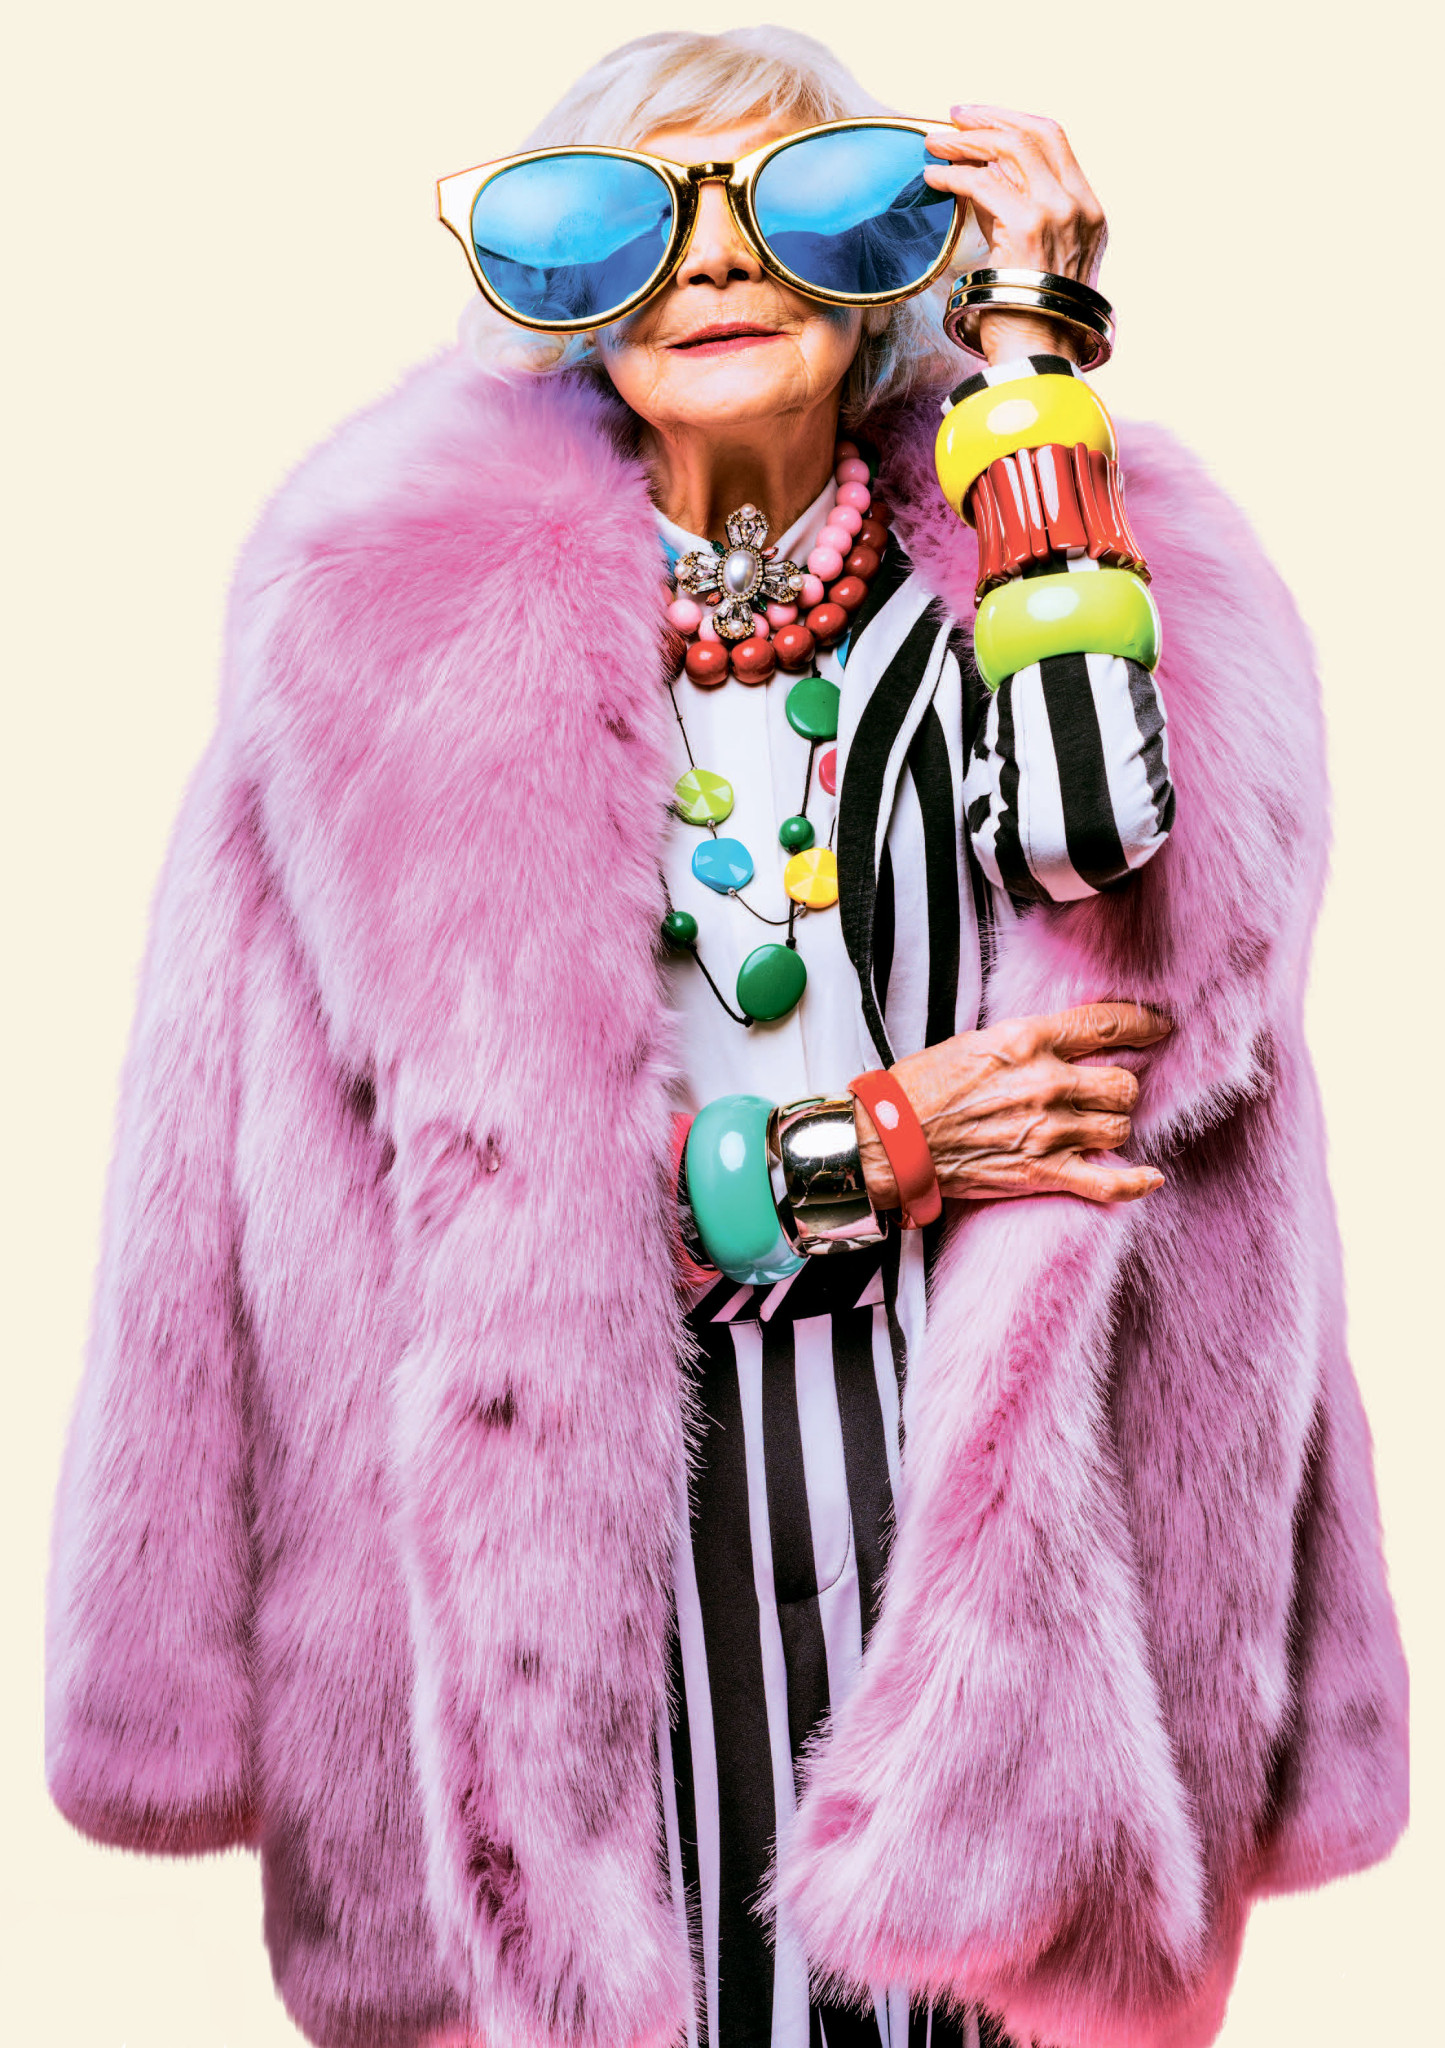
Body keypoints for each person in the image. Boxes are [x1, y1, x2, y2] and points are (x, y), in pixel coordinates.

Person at [45, 27, 1407, 2048]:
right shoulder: (386, 661)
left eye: (793, 199)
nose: (711, 260)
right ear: (561, 298)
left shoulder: (1038, 583)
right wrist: (869, 1149)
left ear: (888, 263)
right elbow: (377, 1199)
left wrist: (1035, 366)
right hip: (603, 1538)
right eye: (622, 218)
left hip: (981, 1517)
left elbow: (1104, 843)